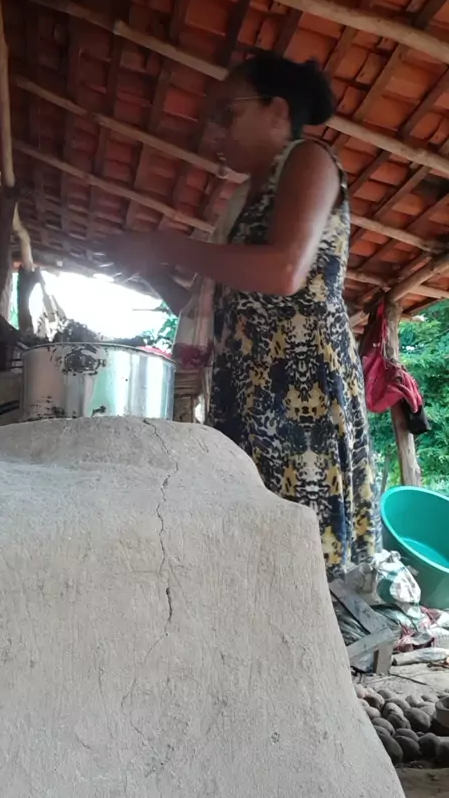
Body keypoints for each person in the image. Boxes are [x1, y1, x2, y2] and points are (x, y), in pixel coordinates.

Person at [106, 51, 379, 577]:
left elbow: (284, 270)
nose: (214, 131)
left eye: (227, 113)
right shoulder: (241, 203)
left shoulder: (309, 160)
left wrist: (164, 243)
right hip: (247, 395)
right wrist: (149, 269)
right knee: (254, 556)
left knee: (299, 558)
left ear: (278, 111)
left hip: (302, 395)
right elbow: (208, 308)